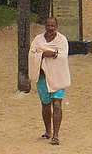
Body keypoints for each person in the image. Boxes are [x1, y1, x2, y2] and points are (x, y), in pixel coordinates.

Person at [28, 13, 71, 145]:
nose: (50, 28)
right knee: (45, 105)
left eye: (53, 26)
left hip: (57, 77)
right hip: (42, 78)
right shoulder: (38, 40)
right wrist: (44, 54)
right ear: (45, 26)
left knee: (57, 104)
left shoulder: (62, 40)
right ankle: (48, 131)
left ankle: (56, 135)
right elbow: (32, 54)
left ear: (56, 27)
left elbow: (62, 57)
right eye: (48, 25)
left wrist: (46, 53)